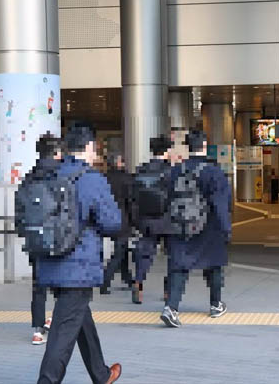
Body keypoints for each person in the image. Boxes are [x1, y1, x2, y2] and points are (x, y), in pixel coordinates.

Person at [35, 122, 122, 384]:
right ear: (89, 147)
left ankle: (101, 374)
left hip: (50, 260)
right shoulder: (91, 179)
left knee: (78, 316)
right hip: (79, 266)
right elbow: (112, 223)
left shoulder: (51, 175)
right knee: (63, 333)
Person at [160, 130, 231, 328]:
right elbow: (221, 204)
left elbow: (165, 199)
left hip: (180, 226)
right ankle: (216, 304)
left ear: (188, 148)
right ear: (205, 146)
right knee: (214, 265)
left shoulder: (175, 170)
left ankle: (171, 308)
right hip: (209, 228)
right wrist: (226, 228)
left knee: (179, 267)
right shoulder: (214, 172)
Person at [129, 135, 173, 304]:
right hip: (167, 219)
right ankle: (168, 290)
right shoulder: (171, 171)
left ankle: (138, 281)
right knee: (172, 255)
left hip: (146, 218)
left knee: (145, 252)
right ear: (167, 151)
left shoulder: (141, 169)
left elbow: (133, 196)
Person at [27, 133, 62, 345]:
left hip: (34, 237)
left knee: (38, 285)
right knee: (63, 283)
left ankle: (38, 329)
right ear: (57, 153)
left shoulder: (30, 176)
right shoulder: (61, 175)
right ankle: (57, 320)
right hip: (58, 237)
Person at [102, 151, 134, 295]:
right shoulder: (125, 178)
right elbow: (131, 201)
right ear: (118, 163)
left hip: (109, 217)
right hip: (123, 218)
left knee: (122, 249)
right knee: (120, 252)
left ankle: (127, 277)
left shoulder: (105, 178)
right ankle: (105, 280)